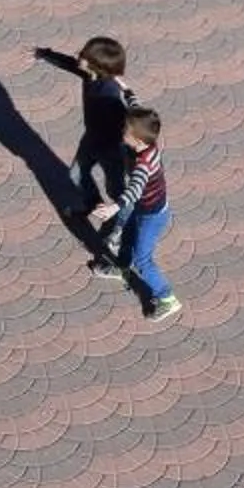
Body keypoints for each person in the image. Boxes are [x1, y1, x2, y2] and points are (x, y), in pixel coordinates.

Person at [89, 107, 181, 325]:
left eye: (126, 131)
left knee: (143, 260)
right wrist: (125, 88)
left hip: (153, 216)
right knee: (128, 235)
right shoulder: (148, 141)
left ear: (137, 140)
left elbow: (135, 188)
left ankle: (168, 298)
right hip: (144, 208)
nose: (122, 132)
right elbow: (137, 105)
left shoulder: (143, 164)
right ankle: (121, 267)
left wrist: (114, 207)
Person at [36, 36, 140, 220]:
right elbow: (70, 64)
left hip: (111, 150)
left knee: (116, 191)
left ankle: (121, 227)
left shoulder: (108, 93)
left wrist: (133, 153)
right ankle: (95, 206)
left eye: (84, 55)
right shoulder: (90, 74)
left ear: (97, 66)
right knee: (76, 174)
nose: (78, 56)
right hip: (91, 139)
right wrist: (46, 54)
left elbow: (129, 120)